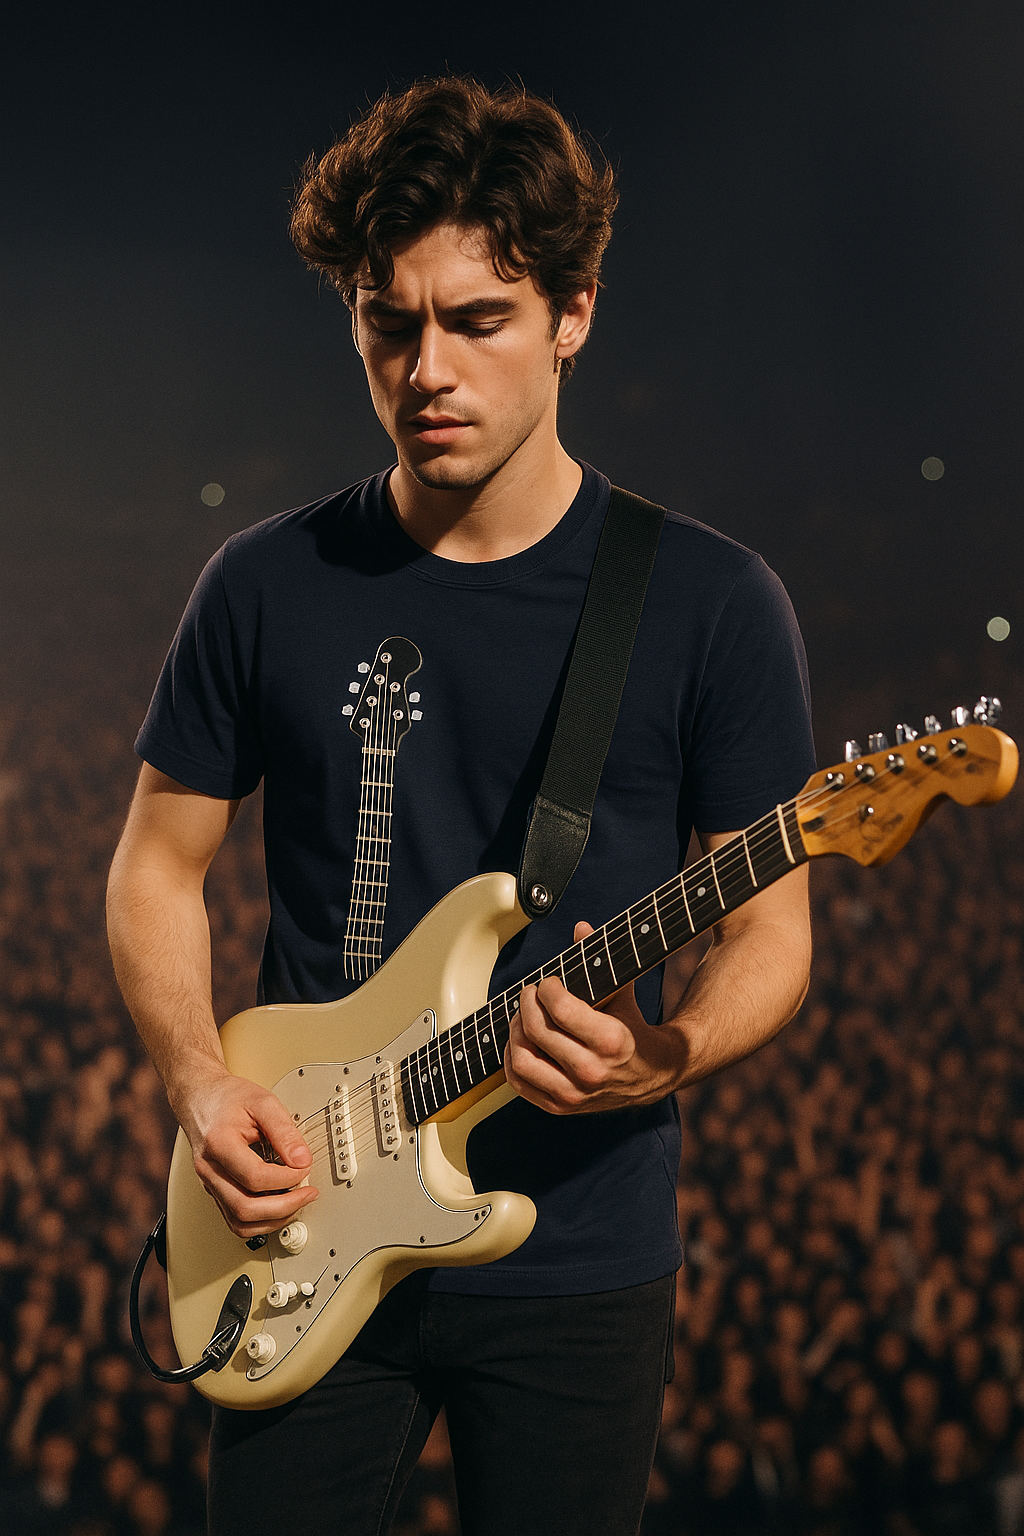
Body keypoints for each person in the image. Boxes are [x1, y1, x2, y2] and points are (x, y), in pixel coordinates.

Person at [106, 77, 815, 1536]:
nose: (425, 366)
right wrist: (198, 1083)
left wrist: (663, 1054)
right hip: (298, 1218)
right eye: (388, 322)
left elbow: (773, 931)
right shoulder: (263, 582)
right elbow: (156, 869)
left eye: (477, 320)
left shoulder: (711, 604)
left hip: (578, 1252)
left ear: (574, 315)